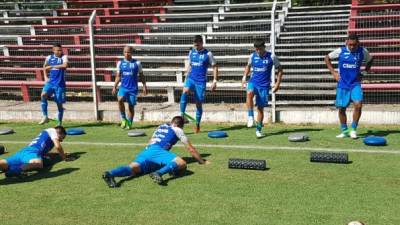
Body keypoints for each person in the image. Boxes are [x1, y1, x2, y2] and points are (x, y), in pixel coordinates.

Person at [102, 116, 209, 188]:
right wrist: (202, 161)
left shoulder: (161, 126)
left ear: (172, 122)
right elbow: (190, 149)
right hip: (158, 151)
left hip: (147, 150)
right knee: (182, 163)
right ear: (180, 126)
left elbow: (150, 141)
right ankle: (159, 173)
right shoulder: (178, 130)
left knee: (133, 168)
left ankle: (110, 174)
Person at [325, 33, 373, 139]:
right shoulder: (340, 51)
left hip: (355, 83)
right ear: (347, 42)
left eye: (354, 45)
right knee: (342, 108)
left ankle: (353, 129)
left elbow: (370, 60)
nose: (352, 47)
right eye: (350, 44)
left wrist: (364, 72)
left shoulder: (362, 51)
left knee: (358, 105)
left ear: (358, 43)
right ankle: (344, 130)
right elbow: (327, 58)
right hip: (342, 84)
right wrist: (334, 73)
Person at [242, 40, 283, 138]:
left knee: (260, 109)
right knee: (249, 92)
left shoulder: (272, 57)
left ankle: (258, 130)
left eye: (260, 49)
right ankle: (250, 116)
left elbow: (280, 69)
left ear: (264, 47)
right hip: (253, 82)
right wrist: (244, 78)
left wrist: (277, 83)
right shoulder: (252, 56)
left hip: (264, 86)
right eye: (256, 49)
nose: (258, 51)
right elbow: (248, 66)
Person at [180, 35, 218, 133]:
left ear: (202, 43)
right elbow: (190, 65)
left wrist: (214, 81)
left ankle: (197, 124)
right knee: (184, 92)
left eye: (197, 44)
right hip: (191, 79)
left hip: (201, 82)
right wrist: (186, 77)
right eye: (194, 44)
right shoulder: (191, 52)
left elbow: (215, 67)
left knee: (198, 104)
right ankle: (182, 115)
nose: (195, 46)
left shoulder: (208, 54)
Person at [0, 126, 68, 178]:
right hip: (32, 152)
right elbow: (58, 147)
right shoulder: (53, 131)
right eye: (62, 138)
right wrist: (64, 158)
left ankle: (10, 168)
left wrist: (58, 154)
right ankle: (15, 170)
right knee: (38, 163)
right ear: (59, 133)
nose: (61, 141)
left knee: (4, 164)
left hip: (24, 152)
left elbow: (43, 152)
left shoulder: (46, 135)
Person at [112, 46, 147, 130]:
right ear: (123, 53)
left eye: (128, 52)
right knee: (120, 99)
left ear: (131, 53)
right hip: (123, 87)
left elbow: (141, 75)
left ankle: (129, 123)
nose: (126, 54)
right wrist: (114, 86)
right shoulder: (120, 63)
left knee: (131, 107)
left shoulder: (137, 63)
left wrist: (144, 85)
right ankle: (123, 119)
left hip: (133, 89)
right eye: (125, 52)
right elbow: (118, 76)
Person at [39, 44, 68, 126]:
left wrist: (51, 66)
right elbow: (44, 67)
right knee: (43, 95)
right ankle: (45, 116)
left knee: (59, 104)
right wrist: (45, 77)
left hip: (60, 84)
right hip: (50, 82)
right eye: (57, 50)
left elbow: (65, 65)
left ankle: (59, 123)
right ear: (53, 50)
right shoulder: (48, 57)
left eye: (60, 50)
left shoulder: (63, 57)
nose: (59, 51)